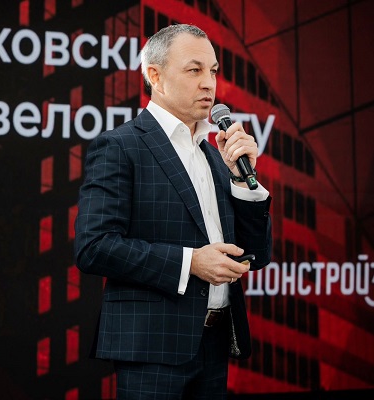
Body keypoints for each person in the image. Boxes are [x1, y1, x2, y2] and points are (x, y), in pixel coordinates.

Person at [74, 24, 272, 399]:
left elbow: (256, 255)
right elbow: (93, 246)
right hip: (152, 347)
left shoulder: (216, 157)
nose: (208, 83)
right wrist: (190, 263)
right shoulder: (120, 146)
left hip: (215, 343)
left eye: (213, 71)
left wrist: (243, 180)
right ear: (155, 76)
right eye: (194, 70)